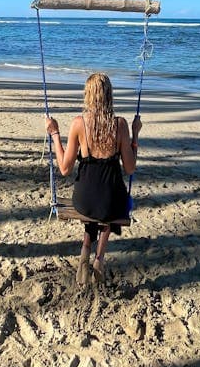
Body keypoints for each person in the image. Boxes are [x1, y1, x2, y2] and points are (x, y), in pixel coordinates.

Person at [45, 72, 141, 285]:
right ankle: (99, 258)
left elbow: (64, 168)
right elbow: (130, 168)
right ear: (109, 95)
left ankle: (85, 250)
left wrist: (54, 134)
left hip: (84, 200)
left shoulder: (79, 124)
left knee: (95, 204)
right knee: (112, 204)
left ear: (88, 95)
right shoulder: (121, 125)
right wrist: (135, 135)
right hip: (111, 201)